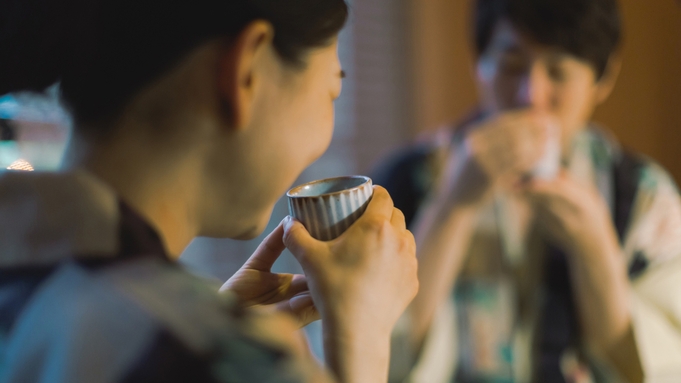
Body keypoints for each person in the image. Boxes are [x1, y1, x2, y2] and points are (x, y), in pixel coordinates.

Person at [0, 0, 419, 382]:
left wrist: (207, 323)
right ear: (247, 71)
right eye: (332, 89)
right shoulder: (207, 352)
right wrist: (359, 342)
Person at [374, 0, 681, 381]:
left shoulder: (644, 198)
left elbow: (665, 365)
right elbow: (372, 355)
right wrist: (452, 208)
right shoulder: (401, 185)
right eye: (512, 65)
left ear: (603, 79)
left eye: (559, 71)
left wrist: (596, 249)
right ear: (478, 63)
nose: (530, 95)